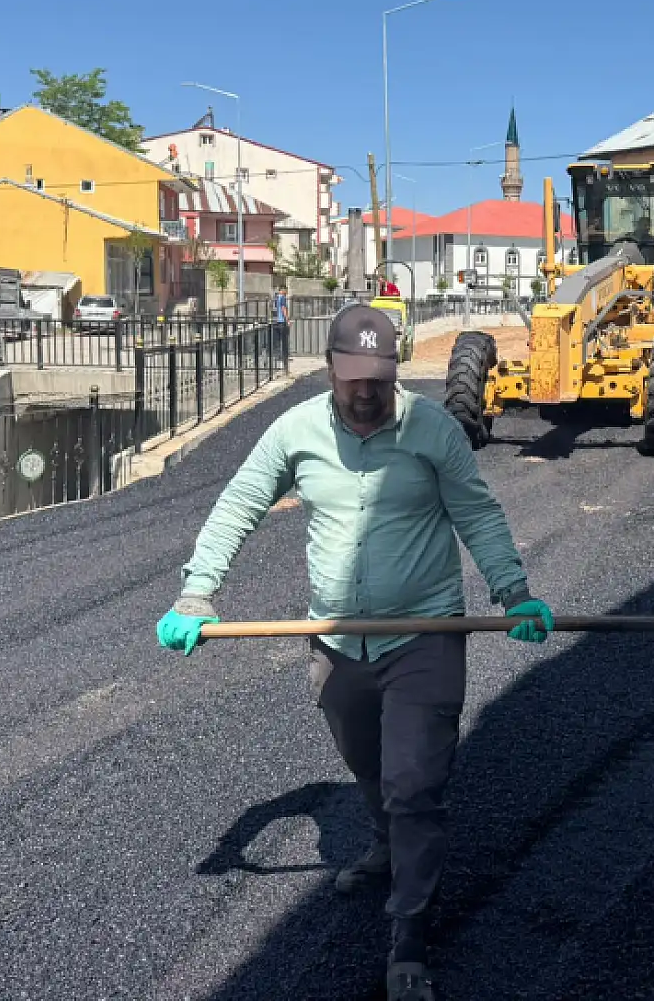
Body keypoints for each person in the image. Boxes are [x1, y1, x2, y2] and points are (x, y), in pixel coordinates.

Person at [157, 304, 554, 1000]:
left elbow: (477, 512)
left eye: (378, 377)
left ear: (395, 369)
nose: (366, 391)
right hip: (338, 642)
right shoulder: (296, 431)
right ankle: (386, 841)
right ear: (330, 370)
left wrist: (513, 591)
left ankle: (410, 936)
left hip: (425, 637)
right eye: (352, 379)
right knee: (369, 765)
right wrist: (197, 593)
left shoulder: (432, 429)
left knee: (414, 785)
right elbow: (240, 504)